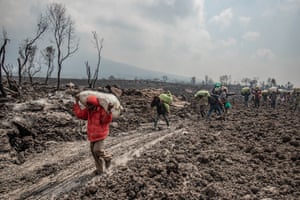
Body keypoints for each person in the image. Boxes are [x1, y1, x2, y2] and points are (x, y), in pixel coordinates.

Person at [73, 95, 114, 175]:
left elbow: (106, 120)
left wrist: (109, 111)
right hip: (92, 136)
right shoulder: (88, 110)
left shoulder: (101, 110)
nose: (88, 106)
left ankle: (108, 158)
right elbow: (80, 115)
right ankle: (100, 170)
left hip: (101, 135)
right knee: (94, 154)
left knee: (97, 150)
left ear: (95, 104)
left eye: (90, 105)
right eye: (88, 105)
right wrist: (76, 103)